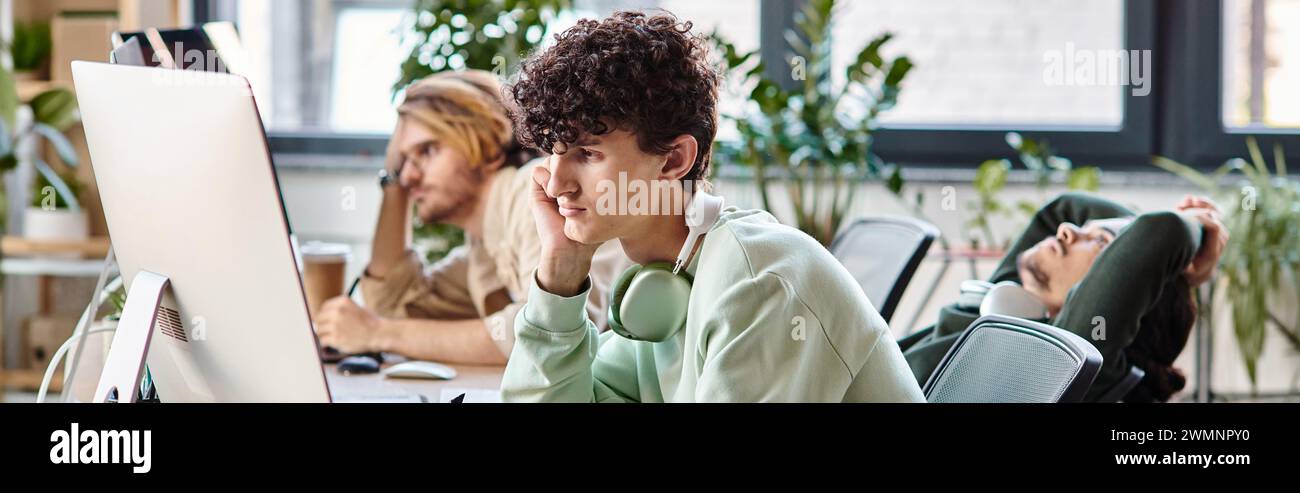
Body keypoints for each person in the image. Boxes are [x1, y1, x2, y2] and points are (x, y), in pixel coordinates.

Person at [498, 11, 924, 402]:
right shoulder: (665, 283)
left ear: (674, 159)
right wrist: (560, 273)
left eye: (588, 154)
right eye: (553, 151)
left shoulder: (761, 283)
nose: (555, 184)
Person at [313, 70, 628, 365]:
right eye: (402, 162)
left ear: (489, 144)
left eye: (427, 151)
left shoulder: (533, 193)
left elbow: (549, 331)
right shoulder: (484, 247)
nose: (409, 176)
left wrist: (377, 333)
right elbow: (394, 304)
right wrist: (392, 182)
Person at [900, 193, 1229, 402]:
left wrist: (1196, 229)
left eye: (1099, 243)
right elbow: (1061, 209)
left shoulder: (1061, 365)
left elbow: (1162, 232)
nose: (1066, 230)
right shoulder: (1009, 311)